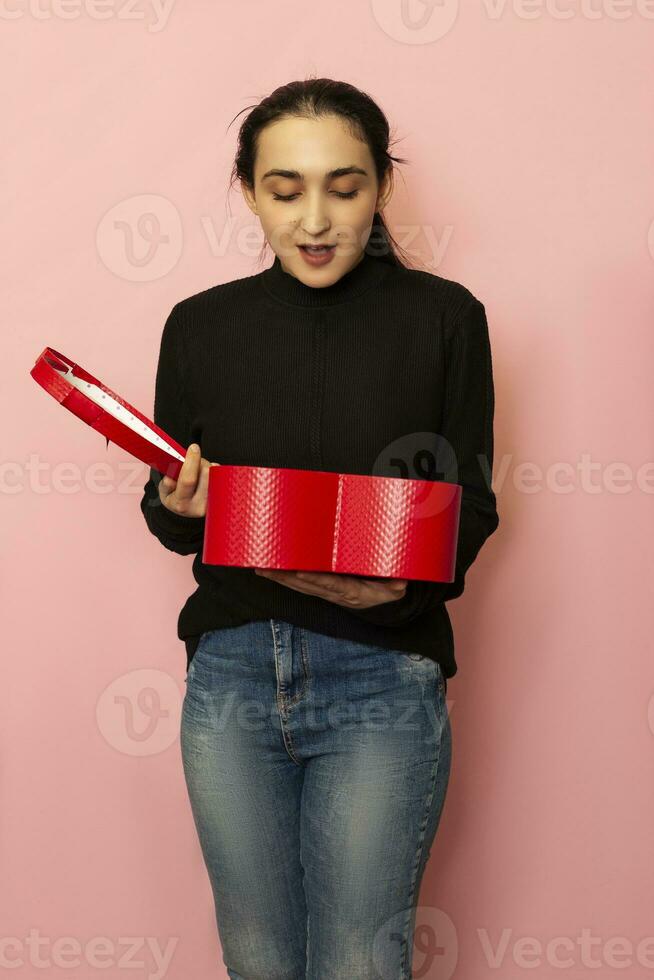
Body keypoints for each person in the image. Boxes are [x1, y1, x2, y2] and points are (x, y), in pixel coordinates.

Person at [140, 77, 499, 980]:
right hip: (229, 682)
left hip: (381, 675)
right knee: (258, 960)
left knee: (357, 965)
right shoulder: (199, 326)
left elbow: (473, 509)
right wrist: (176, 503)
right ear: (248, 190)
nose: (315, 220)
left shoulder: (446, 319)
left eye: (344, 187)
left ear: (381, 186)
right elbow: (175, 517)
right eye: (284, 188)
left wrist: (393, 582)